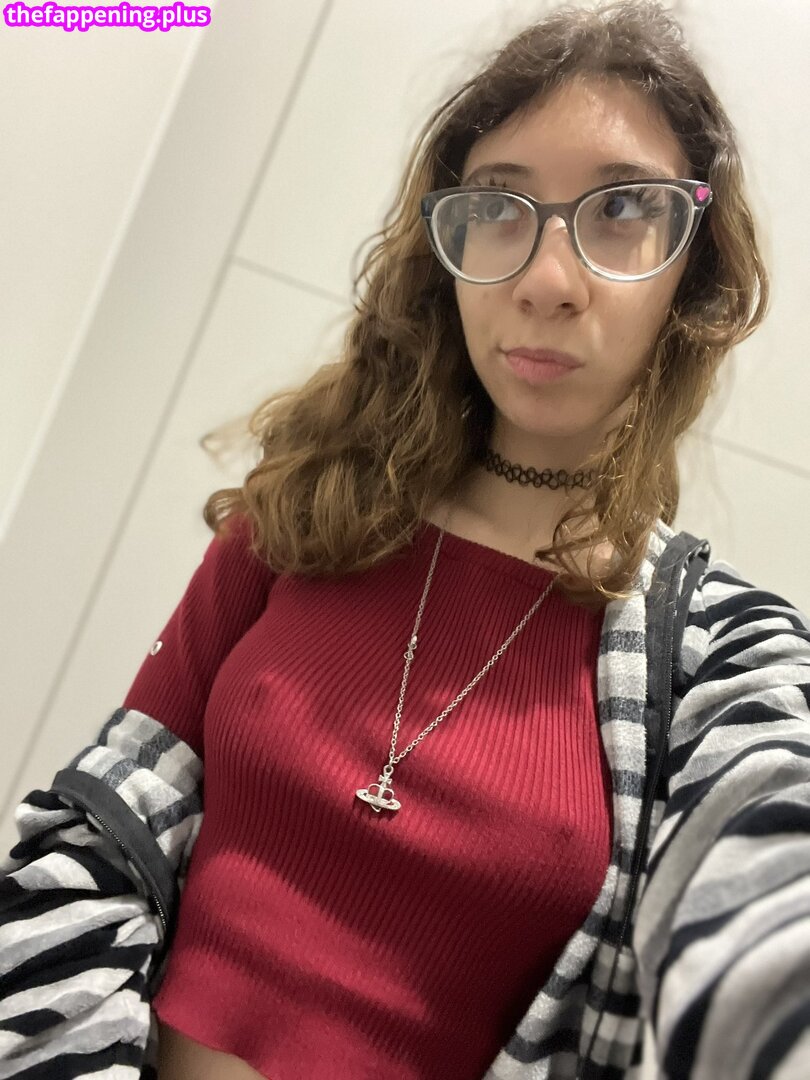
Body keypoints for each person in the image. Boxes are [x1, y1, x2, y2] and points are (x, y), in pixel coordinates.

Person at [2, 1, 809, 1078]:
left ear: (693, 275)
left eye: (622, 209)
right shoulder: (306, 513)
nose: (547, 280)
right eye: (501, 208)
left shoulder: (719, 658)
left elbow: (769, 910)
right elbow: (95, 832)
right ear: (448, 248)